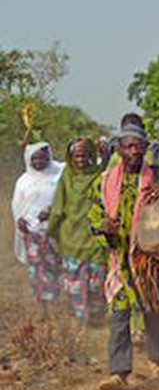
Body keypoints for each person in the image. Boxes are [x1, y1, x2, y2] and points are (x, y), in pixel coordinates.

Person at [89, 116, 159, 390]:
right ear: (119, 149)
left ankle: (157, 360)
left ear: (144, 148)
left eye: (138, 147)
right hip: (120, 259)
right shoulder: (104, 182)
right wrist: (104, 227)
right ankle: (119, 373)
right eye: (128, 146)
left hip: (152, 259)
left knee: (154, 309)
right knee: (119, 311)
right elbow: (93, 217)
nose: (133, 152)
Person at [45, 139, 107, 325]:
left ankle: (96, 318)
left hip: (94, 239)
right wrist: (49, 233)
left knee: (97, 283)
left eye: (85, 155)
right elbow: (57, 209)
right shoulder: (65, 177)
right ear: (70, 158)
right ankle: (82, 321)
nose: (81, 159)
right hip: (71, 238)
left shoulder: (99, 175)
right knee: (75, 285)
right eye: (77, 156)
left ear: (90, 156)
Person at [12, 142, 64, 307]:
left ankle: (57, 298)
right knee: (38, 267)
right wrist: (19, 219)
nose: (39, 162)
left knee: (54, 264)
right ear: (29, 160)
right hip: (32, 231)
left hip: (56, 230)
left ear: (49, 157)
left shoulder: (59, 174)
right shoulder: (23, 180)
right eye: (35, 159)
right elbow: (16, 203)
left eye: (43, 158)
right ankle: (43, 302)